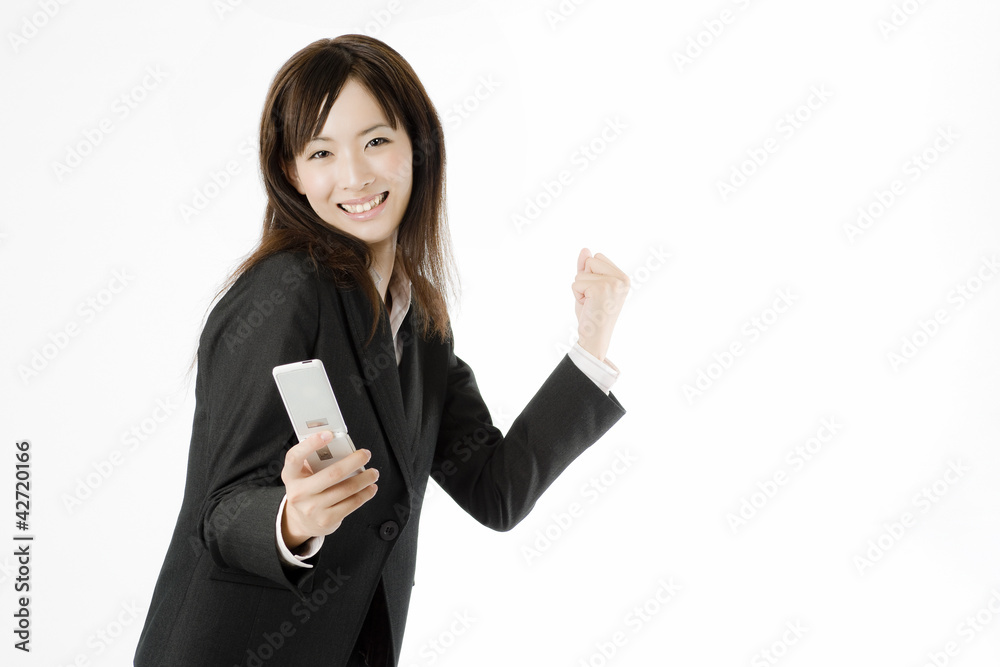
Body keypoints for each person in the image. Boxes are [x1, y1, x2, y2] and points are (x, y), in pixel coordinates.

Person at [133, 34, 628, 667]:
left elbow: (495, 489)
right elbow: (220, 512)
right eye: (321, 152)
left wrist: (592, 342)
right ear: (292, 172)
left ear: (417, 146)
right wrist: (292, 520)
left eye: (375, 141)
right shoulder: (283, 293)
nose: (355, 176)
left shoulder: (418, 322)